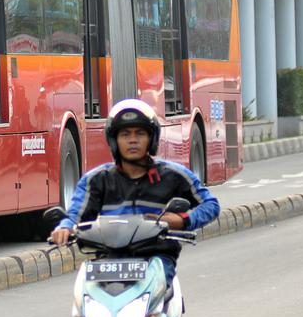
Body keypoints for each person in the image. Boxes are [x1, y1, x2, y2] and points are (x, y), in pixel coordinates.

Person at [50, 99, 220, 289]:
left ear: (151, 139)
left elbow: (211, 205)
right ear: (114, 141)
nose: (132, 140)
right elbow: (75, 215)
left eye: (139, 133)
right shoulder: (96, 180)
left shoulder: (174, 175)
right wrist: (65, 228)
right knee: (83, 301)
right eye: (125, 134)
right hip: (108, 262)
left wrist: (183, 220)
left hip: (156, 259)